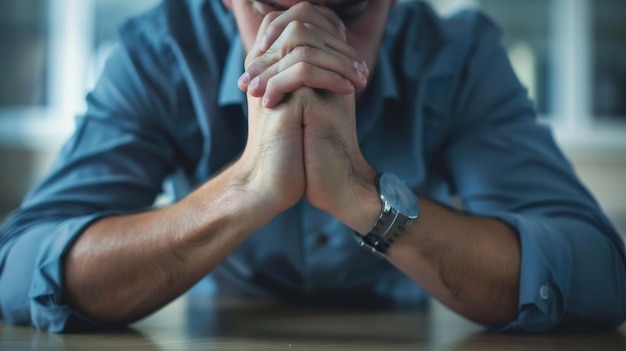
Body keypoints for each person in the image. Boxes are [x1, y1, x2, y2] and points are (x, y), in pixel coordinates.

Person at [0, 0, 624, 333]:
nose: (305, 43)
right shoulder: (159, 51)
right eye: (270, 5)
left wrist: (361, 195)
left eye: (348, 10)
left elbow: (598, 273)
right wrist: (245, 190)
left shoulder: (457, 56)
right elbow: (19, 265)